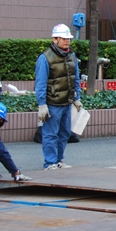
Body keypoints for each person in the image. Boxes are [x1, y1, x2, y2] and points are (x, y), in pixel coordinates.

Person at [35, 24, 82, 170]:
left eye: (68, 38)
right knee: (50, 134)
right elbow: (41, 83)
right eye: (64, 38)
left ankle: (58, 160)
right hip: (52, 103)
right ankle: (50, 162)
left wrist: (76, 97)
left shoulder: (71, 56)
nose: (67, 41)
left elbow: (76, 78)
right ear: (55, 39)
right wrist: (42, 104)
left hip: (66, 102)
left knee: (64, 133)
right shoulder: (45, 58)